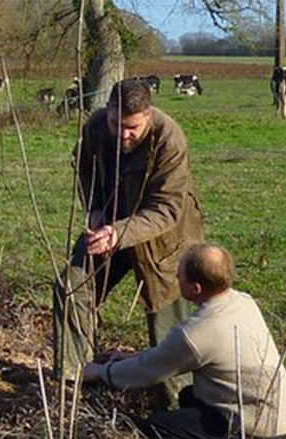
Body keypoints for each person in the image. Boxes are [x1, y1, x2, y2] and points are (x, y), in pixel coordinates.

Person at [54, 78, 204, 405]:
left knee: (167, 326)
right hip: (108, 226)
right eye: (115, 123)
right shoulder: (95, 126)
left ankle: (177, 405)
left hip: (163, 239)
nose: (122, 134)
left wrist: (120, 233)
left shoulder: (170, 140)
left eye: (132, 127)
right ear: (107, 111)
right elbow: (83, 163)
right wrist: (93, 206)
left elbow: (166, 209)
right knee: (72, 285)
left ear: (148, 115)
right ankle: (75, 379)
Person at [83, 244, 286, 439]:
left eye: (180, 275)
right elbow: (171, 356)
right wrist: (131, 356)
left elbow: (147, 372)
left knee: (159, 427)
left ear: (196, 288)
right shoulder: (244, 301)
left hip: (256, 431)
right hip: (283, 420)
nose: (176, 276)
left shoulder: (196, 333)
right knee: (189, 395)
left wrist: (102, 372)